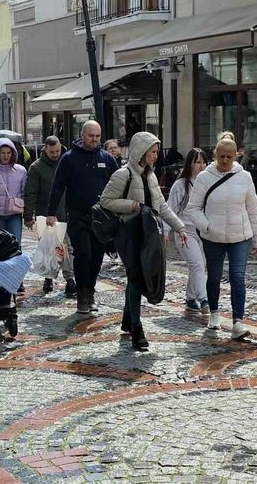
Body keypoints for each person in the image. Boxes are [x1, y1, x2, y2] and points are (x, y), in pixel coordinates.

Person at [101, 132, 187, 351]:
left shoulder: (151, 175)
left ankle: (128, 320)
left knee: (138, 276)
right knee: (136, 276)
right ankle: (137, 329)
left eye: (157, 152)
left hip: (148, 232)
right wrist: (133, 205)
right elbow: (106, 201)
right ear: (141, 152)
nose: (156, 156)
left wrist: (180, 227)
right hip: (128, 233)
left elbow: (162, 205)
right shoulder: (123, 174)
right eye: (153, 152)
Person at [186, 133, 257, 340]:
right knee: (214, 276)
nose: (225, 161)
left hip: (241, 236)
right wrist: (207, 226)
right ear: (215, 155)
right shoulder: (204, 177)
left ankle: (238, 321)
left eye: (230, 157)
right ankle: (214, 313)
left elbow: (253, 209)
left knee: (237, 277)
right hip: (214, 237)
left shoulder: (245, 177)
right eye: (221, 156)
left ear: (236, 156)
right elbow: (193, 209)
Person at [47, 120, 119, 314]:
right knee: (83, 253)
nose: (94, 139)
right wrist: (51, 212)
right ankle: (82, 293)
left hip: (102, 217)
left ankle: (91, 290)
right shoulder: (69, 158)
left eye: (97, 136)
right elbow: (58, 186)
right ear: (82, 135)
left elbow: (120, 184)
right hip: (78, 214)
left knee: (96, 256)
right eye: (90, 136)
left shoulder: (108, 159)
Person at [24, 136, 76, 297]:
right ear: (45, 149)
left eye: (57, 151)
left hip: (66, 211)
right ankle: (48, 277)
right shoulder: (36, 168)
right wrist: (28, 215)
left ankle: (70, 279)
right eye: (52, 151)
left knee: (66, 246)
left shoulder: (68, 162)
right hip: (45, 213)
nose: (55, 154)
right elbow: (31, 193)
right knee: (48, 247)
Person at [164, 148, 211, 316]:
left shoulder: (208, 183)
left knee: (199, 265)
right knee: (197, 264)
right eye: (197, 162)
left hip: (203, 232)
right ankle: (204, 299)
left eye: (203, 162)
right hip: (184, 231)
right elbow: (169, 209)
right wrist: (166, 231)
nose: (201, 166)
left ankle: (191, 299)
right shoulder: (181, 184)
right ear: (190, 164)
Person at [0, 138, 28, 293]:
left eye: (9, 153)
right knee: (0, 246)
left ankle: (18, 278)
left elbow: (24, 192)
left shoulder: (21, 170)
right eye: (2, 153)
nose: (5, 156)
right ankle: (2, 278)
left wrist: (27, 211)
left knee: (16, 246)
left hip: (15, 214)